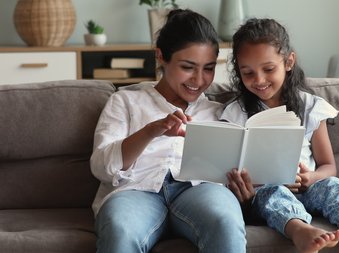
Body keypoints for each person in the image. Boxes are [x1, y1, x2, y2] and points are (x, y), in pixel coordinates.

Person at [222, 18, 339, 253]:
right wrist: (247, 185)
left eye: (269, 69)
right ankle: (300, 231)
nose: (259, 80)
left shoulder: (310, 106)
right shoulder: (235, 112)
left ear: (289, 61)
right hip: (266, 191)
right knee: (272, 194)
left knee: (334, 186)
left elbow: (329, 165)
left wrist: (311, 178)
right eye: (248, 72)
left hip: (308, 187)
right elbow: (228, 170)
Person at [90, 9, 246, 253]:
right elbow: (101, 166)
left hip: (199, 191)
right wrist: (151, 131)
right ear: (161, 56)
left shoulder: (221, 111)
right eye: (188, 67)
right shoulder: (126, 101)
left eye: (208, 68)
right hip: (136, 191)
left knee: (226, 221)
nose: (199, 79)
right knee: (120, 229)